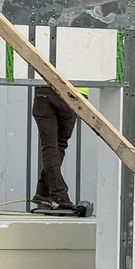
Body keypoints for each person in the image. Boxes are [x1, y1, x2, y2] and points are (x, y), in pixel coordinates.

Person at [30, 86, 83, 214]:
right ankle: (59, 195)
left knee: (51, 146)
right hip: (73, 94)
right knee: (58, 145)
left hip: (45, 92)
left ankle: (43, 192)